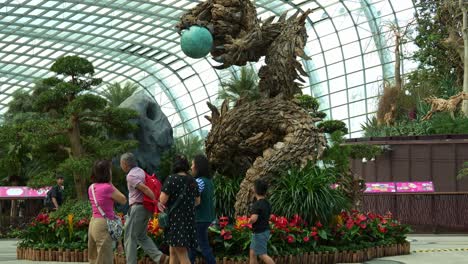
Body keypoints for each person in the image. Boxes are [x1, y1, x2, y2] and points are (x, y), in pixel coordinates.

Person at [120, 152, 163, 264]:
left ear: (125, 164)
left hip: (137, 209)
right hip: (145, 209)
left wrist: (156, 201)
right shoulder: (141, 171)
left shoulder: (131, 176)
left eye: (121, 163)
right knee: (141, 236)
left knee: (129, 238)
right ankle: (160, 257)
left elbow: (145, 189)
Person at [159, 155, 200, 264]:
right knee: (173, 251)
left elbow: (162, 200)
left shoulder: (171, 179)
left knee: (182, 254)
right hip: (188, 220)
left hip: (176, 222)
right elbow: (198, 201)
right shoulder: (192, 180)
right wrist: (186, 207)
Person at [88, 160, 127, 264]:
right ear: (107, 172)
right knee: (105, 259)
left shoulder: (91, 188)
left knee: (95, 258)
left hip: (93, 223)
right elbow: (123, 200)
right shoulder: (107, 188)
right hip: (103, 225)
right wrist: (110, 183)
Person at [189, 154, 216, 264]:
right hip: (207, 217)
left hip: (199, 218)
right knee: (194, 246)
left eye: (192, 164)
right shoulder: (209, 181)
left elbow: (196, 200)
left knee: (203, 245)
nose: (191, 167)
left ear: (197, 166)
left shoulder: (199, 181)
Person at [248, 179, 275, 264]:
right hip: (264, 231)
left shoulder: (257, 204)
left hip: (259, 232)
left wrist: (248, 221)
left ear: (255, 190)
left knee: (262, 254)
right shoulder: (267, 203)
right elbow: (269, 216)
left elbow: (254, 218)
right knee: (252, 253)